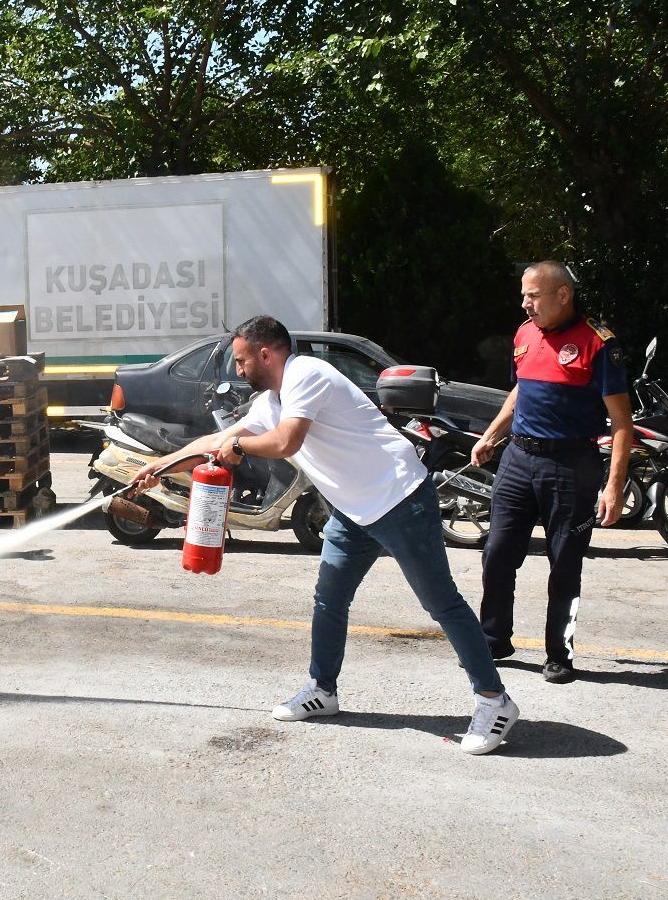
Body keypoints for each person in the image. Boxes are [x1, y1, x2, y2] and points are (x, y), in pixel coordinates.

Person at [133, 316, 519, 755]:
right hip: (353, 511)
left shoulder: (307, 375)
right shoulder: (272, 399)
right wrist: (159, 467)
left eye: (241, 361)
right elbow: (218, 439)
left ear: (266, 353)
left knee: (441, 604)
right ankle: (323, 689)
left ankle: (494, 700)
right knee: (329, 599)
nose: (237, 371)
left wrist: (238, 450)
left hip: (399, 498)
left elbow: (285, 442)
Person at [471, 261, 632, 684]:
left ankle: (559, 652)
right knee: (498, 552)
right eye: (523, 295)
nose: (526, 304)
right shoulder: (525, 334)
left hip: (571, 464)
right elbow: (520, 390)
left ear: (563, 294)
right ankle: (494, 639)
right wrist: (490, 436)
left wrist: (613, 487)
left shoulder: (599, 344)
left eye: (534, 296)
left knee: (565, 564)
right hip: (518, 460)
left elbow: (621, 423)